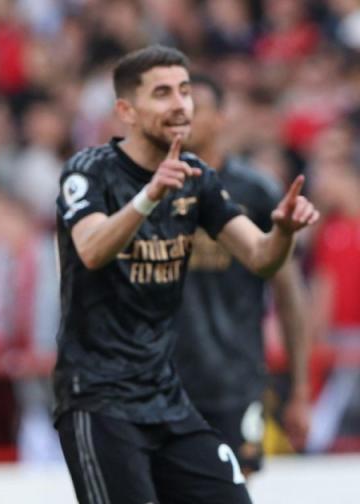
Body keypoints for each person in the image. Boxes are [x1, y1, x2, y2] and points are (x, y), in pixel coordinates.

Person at [54, 45, 318, 504]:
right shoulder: (89, 171)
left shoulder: (196, 177)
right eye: (162, 93)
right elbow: (92, 250)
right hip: (99, 400)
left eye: (184, 91)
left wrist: (283, 232)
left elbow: (260, 257)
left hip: (169, 397)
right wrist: (148, 196)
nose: (179, 104)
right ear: (127, 111)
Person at [172, 74, 311, 476]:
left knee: (234, 488)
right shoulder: (154, 190)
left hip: (236, 379)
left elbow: (289, 295)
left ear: (221, 118)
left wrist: (299, 390)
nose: (186, 119)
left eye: (196, 108)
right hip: (165, 379)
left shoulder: (256, 191)